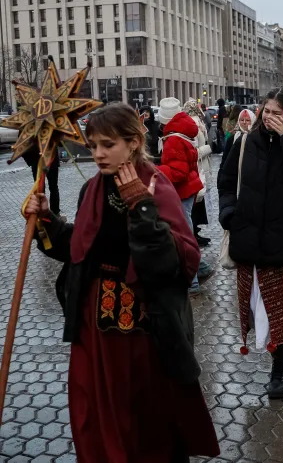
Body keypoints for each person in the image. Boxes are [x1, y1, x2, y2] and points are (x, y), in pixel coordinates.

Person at [26, 103, 219, 461]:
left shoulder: (156, 187)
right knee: (95, 410)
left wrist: (141, 209)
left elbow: (177, 263)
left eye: (107, 144)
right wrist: (47, 223)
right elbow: (80, 247)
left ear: (133, 143)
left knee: (143, 415)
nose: (97, 153)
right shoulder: (92, 190)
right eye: (94, 144)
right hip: (95, 325)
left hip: (145, 327)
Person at [218, 87, 283, 399]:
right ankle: (271, 355)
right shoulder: (245, 142)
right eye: (267, 111)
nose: (270, 118)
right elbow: (226, 182)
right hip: (249, 239)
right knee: (256, 307)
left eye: (278, 113)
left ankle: (281, 369)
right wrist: (228, 214)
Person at [157, 97, 213, 293]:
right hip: (189, 188)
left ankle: (193, 283)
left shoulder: (172, 139)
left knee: (184, 236)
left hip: (183, 190)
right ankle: (201, 269)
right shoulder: (182, 133)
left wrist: (158, 170)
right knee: (185, 233)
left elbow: (178, 171)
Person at [182, 100, 214, 248]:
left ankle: (196, 231)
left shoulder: (197, 122)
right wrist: (207, 148)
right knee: (196, 201)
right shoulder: (193, 124)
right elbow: (192, 150)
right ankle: (194, 232)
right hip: (198, 167)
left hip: (201, 166)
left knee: (198, 202)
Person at [23, 146, 61, 217]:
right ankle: (42, 214)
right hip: (37, 162)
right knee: (40, 189)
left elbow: (60, 142)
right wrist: (31, 161)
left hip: (51, 161)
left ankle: (55, 213)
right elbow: (23, 146)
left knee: (53, 188)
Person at [220, 108, 256, 177]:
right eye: (242, 120)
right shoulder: (232, 139)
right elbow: (225, 160)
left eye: (248, 120)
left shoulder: (257, 138)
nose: (244, 122)